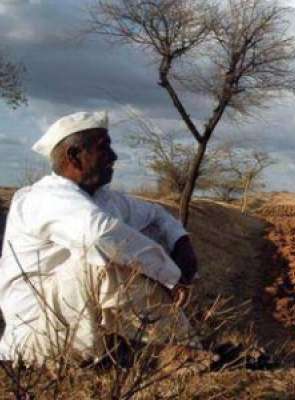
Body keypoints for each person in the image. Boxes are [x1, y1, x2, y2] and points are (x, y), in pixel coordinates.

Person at [0, 111, 208, 367]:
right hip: (37, 338)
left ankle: (183, 349)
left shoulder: (102, 198)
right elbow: (100, 235)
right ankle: (178, 351)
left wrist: (181, 242)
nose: (114, 156)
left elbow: (155, 215)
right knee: (103, 260)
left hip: (76, 325)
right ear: (74, 156)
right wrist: (172, 276)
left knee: (131, 247)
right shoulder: (43, 198)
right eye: (103, 148)